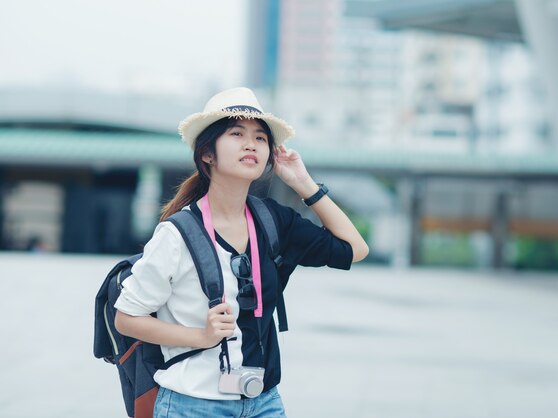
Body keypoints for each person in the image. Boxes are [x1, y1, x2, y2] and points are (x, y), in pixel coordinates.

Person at [114, 87, 369, 417]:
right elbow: (126, 318)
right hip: (192, 403)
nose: (251, 144)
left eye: (261, 138)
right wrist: (200, 336)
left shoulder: (274, 221)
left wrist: (304, 184)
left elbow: (356, 249)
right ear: (208, 153)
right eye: (237, 134)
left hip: (263, 401)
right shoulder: (177, 234)